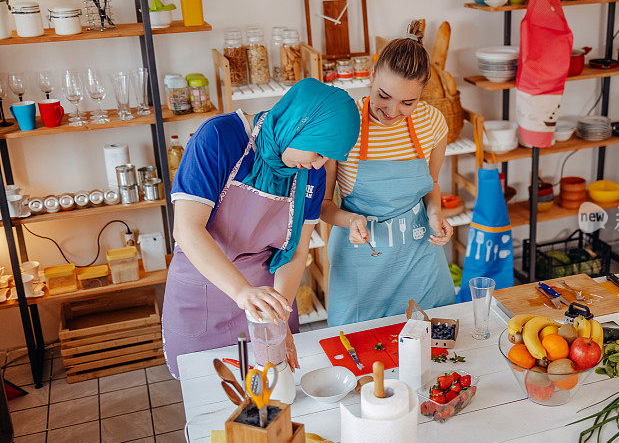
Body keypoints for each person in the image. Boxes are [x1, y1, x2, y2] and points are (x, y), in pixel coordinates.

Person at [162, 78, 360, 377]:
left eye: (328, 159)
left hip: (265, 296)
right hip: (204, 287)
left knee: (273, 391)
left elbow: (296, 251)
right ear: (297, 126)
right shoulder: (218, 137)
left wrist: (277, 320)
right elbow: (188, 229)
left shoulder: (311, 173)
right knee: (210, 395)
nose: (320, 165)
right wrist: (242, 291)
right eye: (318, 153)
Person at [322, 21, 456, 326]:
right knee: (358, 356)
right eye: (384, 96)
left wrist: (435, 214)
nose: (393, 111)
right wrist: (350, 220)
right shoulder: (344, 125)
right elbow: (323, 206)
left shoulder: (432, 123)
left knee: (437, 352)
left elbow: (431, 185)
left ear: (423, 93)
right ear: (371, 76)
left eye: (408, 102)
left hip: (420, 260)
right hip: (362, 266)